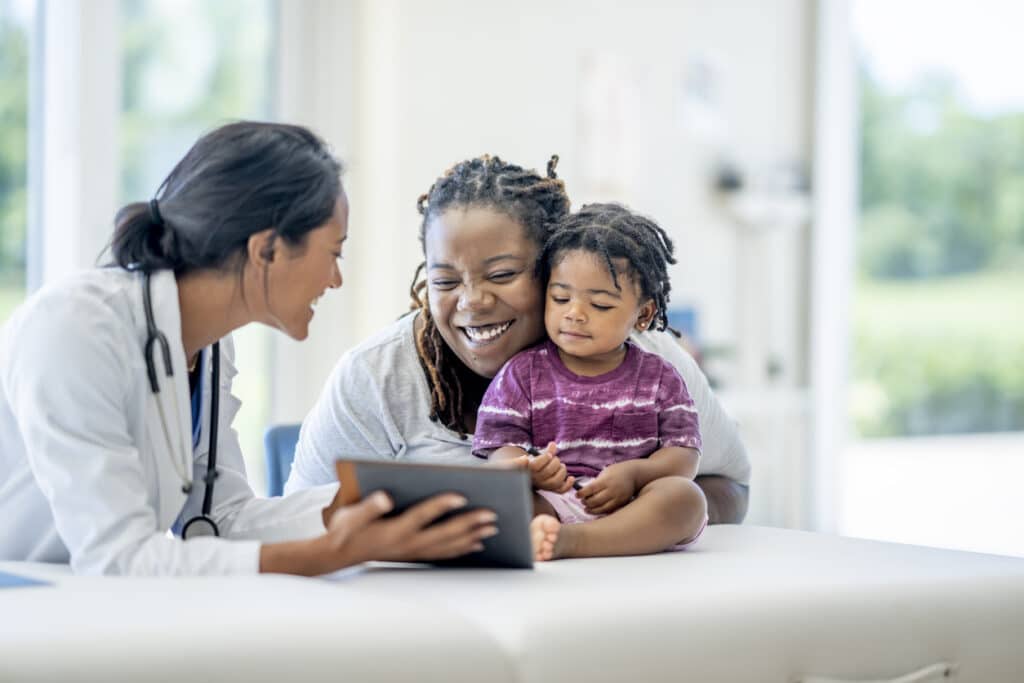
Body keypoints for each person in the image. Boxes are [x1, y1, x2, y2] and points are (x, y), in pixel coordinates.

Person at [0, 121, 497, 575]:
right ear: (267, 250)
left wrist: (380, 501)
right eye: (334, 252)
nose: (336, 279)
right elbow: (118, 558)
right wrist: (332, 553)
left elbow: (220, 518)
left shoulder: (211, 348)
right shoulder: (75, 327)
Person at [286, 155, 751, 525]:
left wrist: (619, 517)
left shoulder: (645, 359)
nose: (471, 301)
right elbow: (303, 519)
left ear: (556, 266)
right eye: (445, 281)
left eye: (503, 274)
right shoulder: (376, 376)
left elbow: (730, 488)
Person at [473, 203, 707, 561]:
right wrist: (529, 470)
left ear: (642, 314)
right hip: (551, 502)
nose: (574, 313)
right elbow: (499, 451)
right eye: (560, 297)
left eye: (599, 305)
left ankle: (575, 542)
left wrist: (635, 474)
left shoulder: (660, 378)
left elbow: (683, 455)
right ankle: (550, 534)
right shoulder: (521, 374)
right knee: (498, 498)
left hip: (634, 506)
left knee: (686, 498)